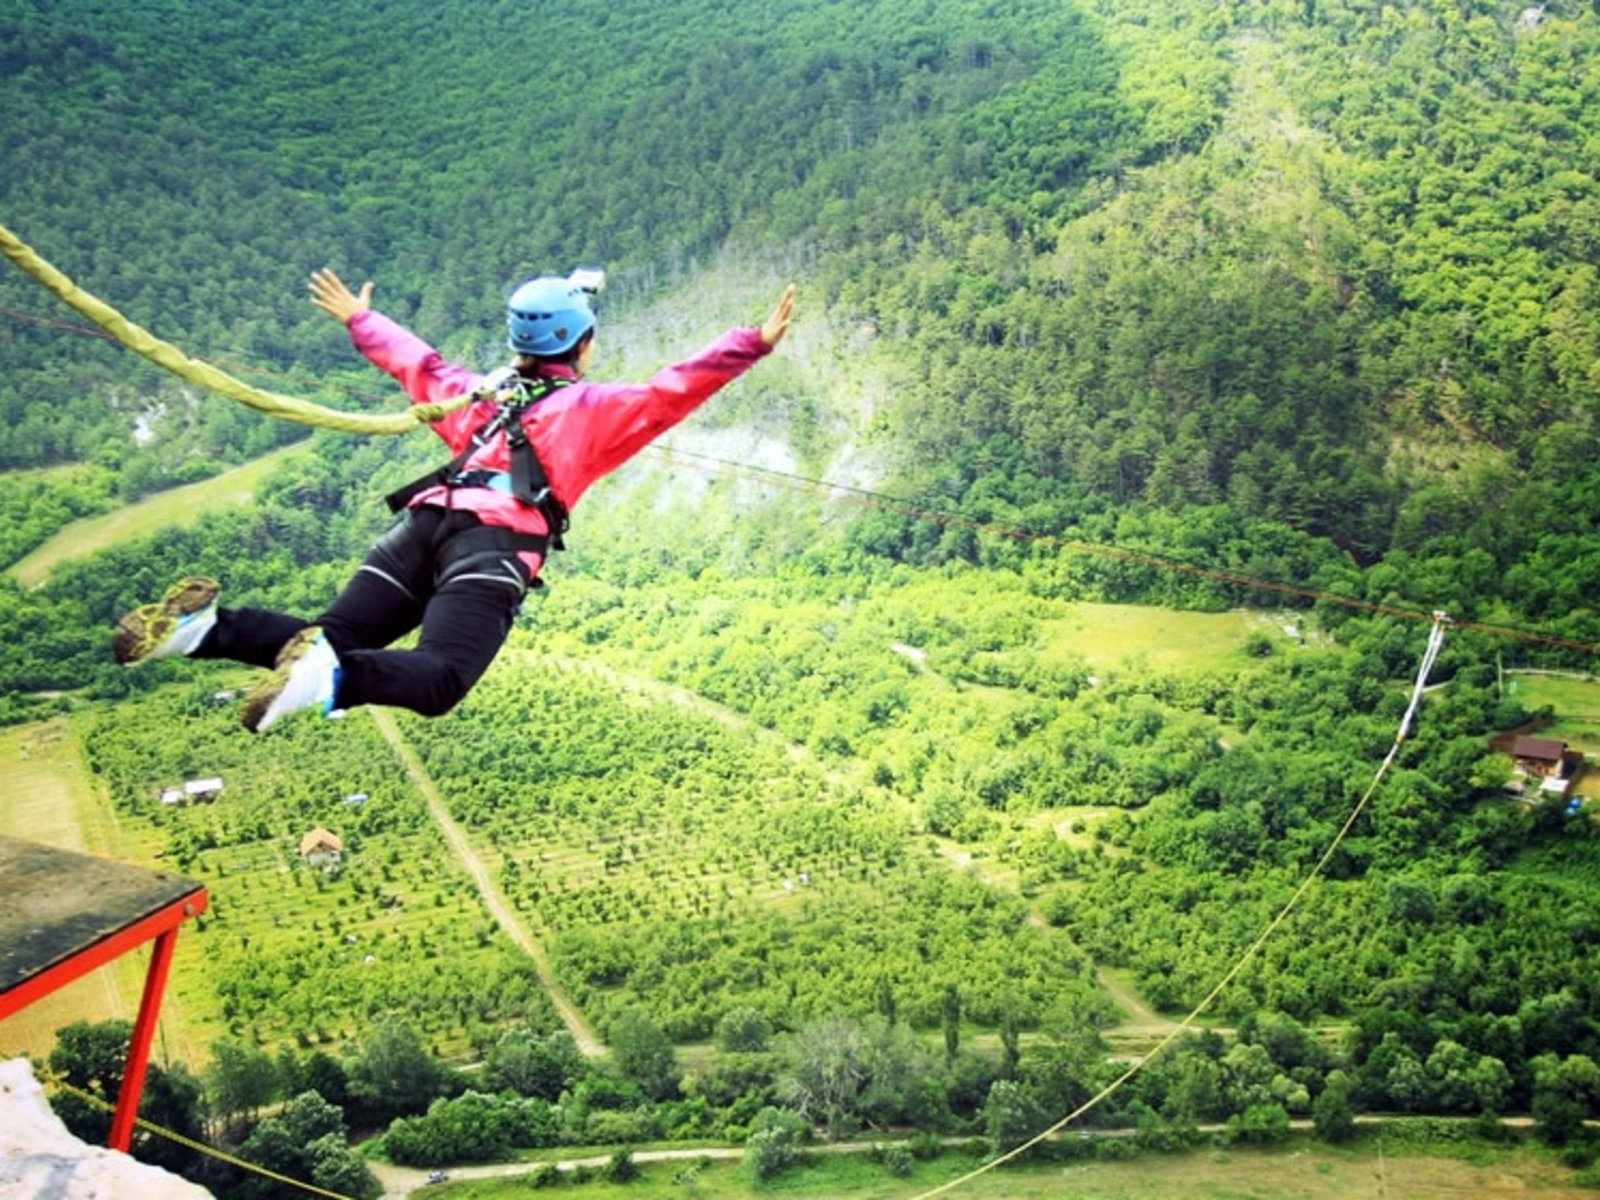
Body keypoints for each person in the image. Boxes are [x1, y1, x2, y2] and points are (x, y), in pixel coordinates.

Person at [113, 268, 796, 732]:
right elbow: (667, 393)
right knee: (437, 681)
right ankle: (329, 681)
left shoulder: (479, 395)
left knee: (333, 635)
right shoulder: (592, 408)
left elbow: (420, 365)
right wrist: (752, 344)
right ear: (583, 345)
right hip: (490, 546)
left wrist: (362, 319)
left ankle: (197, 630)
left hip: (417, 530)